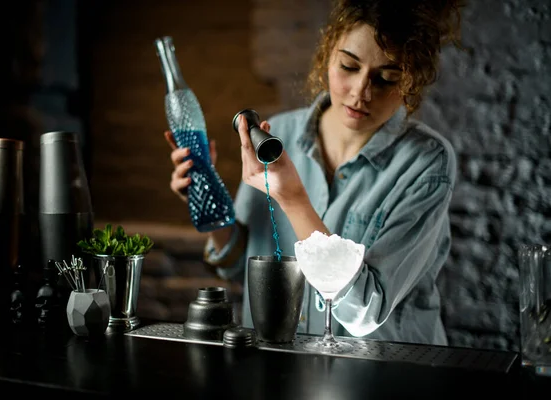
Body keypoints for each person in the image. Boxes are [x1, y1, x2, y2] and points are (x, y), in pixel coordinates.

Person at [164, 0, 464, 346]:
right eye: (348, 66)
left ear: (411, 83)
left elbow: (365, 308)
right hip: (280, 363)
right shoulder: (279, 134)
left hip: (384, 372)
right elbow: (239, 266)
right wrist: (208, 197)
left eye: (386, 78)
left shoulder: (426, 163)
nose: (360, 92)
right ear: (327, 54)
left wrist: (293, 199)